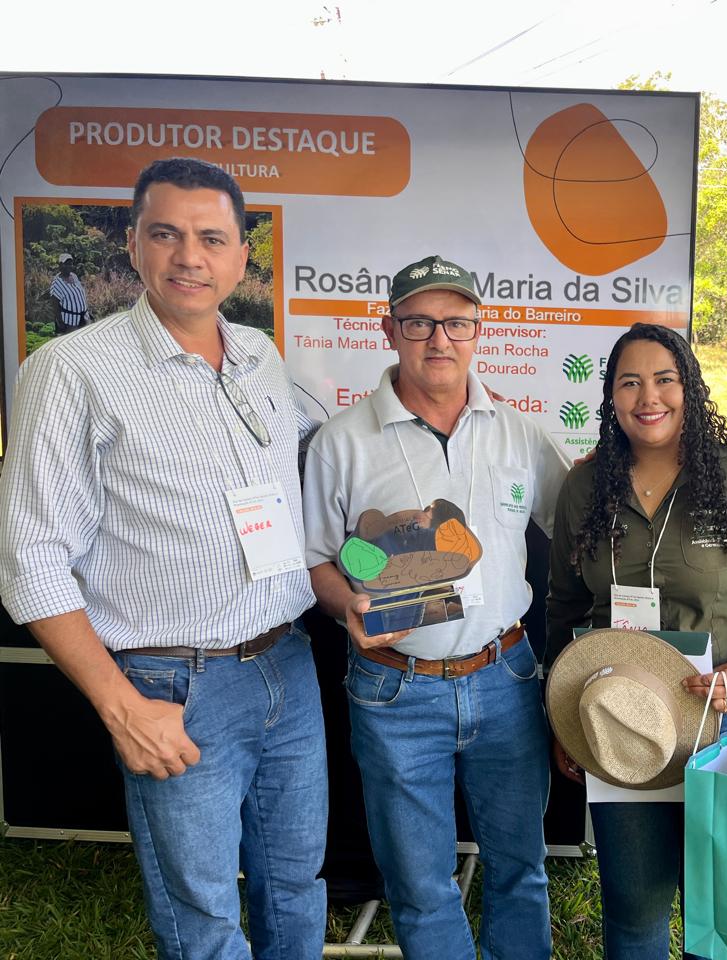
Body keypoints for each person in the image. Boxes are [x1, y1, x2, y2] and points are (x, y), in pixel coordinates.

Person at [0, 158, 326, 959]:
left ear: (240, 257)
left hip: (287, 665)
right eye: (166, 234)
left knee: (296, 885)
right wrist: (121, 707)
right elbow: (29, 560)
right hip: (173, 685)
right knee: (203, 916)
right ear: (133, 246)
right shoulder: (71, 370)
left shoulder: (258, 354)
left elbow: (301, 468)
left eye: (211, 238)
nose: (189, 257)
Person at [303, 254, 570, 959]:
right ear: (389, 330)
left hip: (506, 676)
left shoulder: (518, 433)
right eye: (419, 322)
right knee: (419, 883)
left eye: (457, 322)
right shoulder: (342, 442)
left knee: (520, 867)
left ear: (480, 330)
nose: (439, 339)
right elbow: (314, 560)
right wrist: (346, 606)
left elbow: (577, 529)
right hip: (396, 688)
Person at [545, 322, 727, 959]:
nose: (649, 397)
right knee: (634, 907)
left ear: (689, 388)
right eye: (629, 383)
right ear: (610, 397)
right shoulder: (586, 487)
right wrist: (562, 717)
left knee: (718, 909)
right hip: (619, 716)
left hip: (726, 713)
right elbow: (565, 604)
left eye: (664, 380)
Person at [49, 252, 91, 334]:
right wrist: (61, 324)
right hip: (70, 323)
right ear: (60, 265)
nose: (69, 266)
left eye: (70, 264)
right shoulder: (57, 283)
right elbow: (55, 306)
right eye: (66, 264)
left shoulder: (74, 276)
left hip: (84, 319)